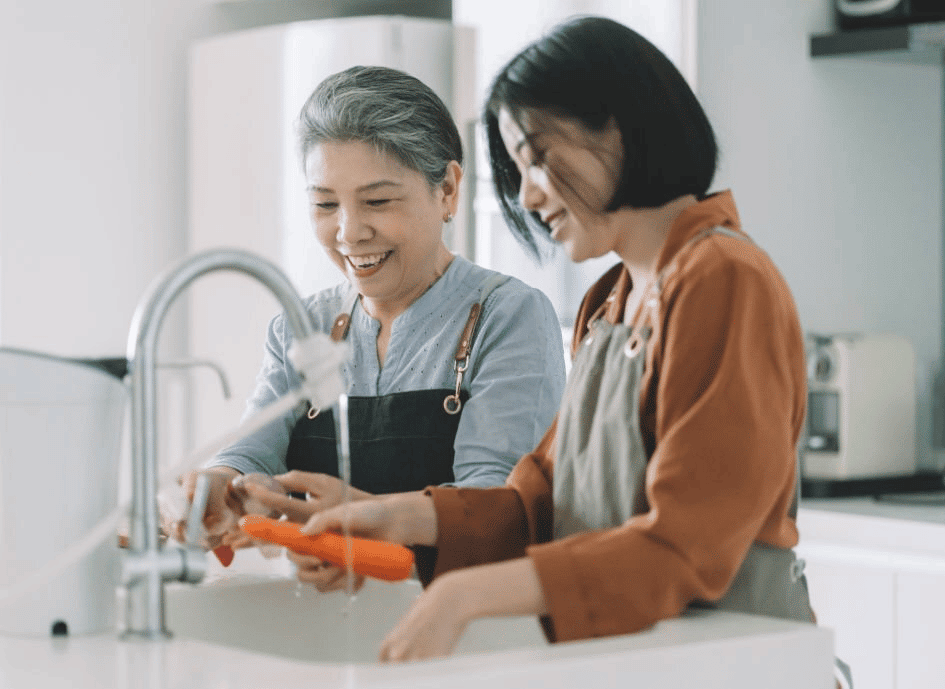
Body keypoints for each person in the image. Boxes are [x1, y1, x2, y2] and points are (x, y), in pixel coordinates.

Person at [252, 15, 820, 666]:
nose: (527, 194)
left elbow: (684, 545)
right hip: (641, 664)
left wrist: (462, 595)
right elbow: (536, 507)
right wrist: (390, 519)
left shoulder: (722, 278)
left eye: (538, 158)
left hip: (734, 667)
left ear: (619, 128)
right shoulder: (610, 303)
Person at [181, 65, 566, 560]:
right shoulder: (301, 328)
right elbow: (250, 452)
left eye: (378, 201)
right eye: (324, 205)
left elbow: (496, 507)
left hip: (457, 616)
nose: (349, 232)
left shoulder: (508, 316)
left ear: (447, 190)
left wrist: (367, 523)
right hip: (327, 610)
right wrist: (218, 487)